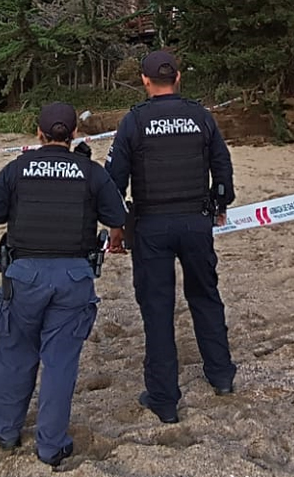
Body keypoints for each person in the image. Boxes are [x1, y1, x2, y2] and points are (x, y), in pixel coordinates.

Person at [0, 102, 127, 467]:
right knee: (60, 363)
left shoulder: (16, 169)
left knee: (14, 356)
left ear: (38, 133)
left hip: (24, 276)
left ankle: (6, 432)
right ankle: (51, 446)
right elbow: (117, 217)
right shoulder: (90, 172)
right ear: (74, 134)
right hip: (74, 278)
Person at [105, 49, 237, 424]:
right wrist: (221, 202)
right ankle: (221, 376)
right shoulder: (201, 116)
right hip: (196, 222)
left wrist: (116, 226)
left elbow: (114, 180)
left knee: (158, 309)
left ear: (145, 81)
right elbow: (222, 164)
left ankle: (164, 399)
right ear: (178, 77)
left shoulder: (134, 121)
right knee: (206, 297)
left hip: (151, 226)